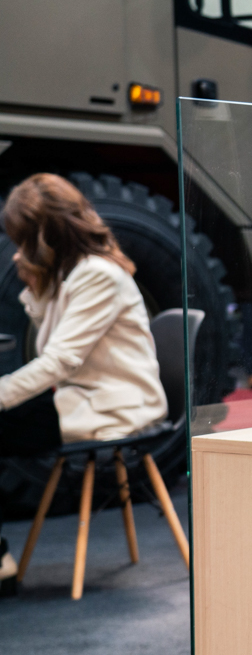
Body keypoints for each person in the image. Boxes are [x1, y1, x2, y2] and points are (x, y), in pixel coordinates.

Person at [0, 174, 168, 455]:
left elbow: (58, 361)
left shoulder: (97, 274)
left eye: (23, 241)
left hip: (111, 408)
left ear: (42, 237)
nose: (19, 252)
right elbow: (52, 347)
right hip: (84, 399)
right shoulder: (73, 272)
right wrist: (35, 284)